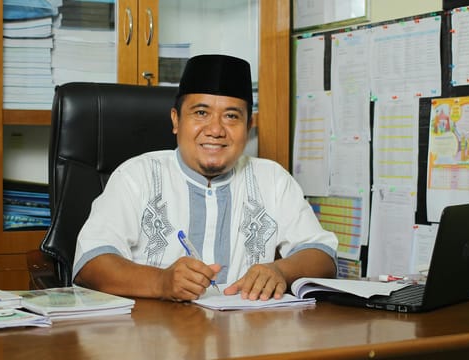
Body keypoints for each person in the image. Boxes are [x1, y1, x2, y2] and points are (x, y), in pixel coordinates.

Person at [73, 54, 338, 302]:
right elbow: (90, 263)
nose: (215, 130)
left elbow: (323, 256)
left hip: (248, 339)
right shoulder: (136, 176)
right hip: (153, 339)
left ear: (248, 127)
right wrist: (161, 282)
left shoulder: (273, 179)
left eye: (231, 116)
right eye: (201, 113)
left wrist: (280, 270)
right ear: (176, 120)